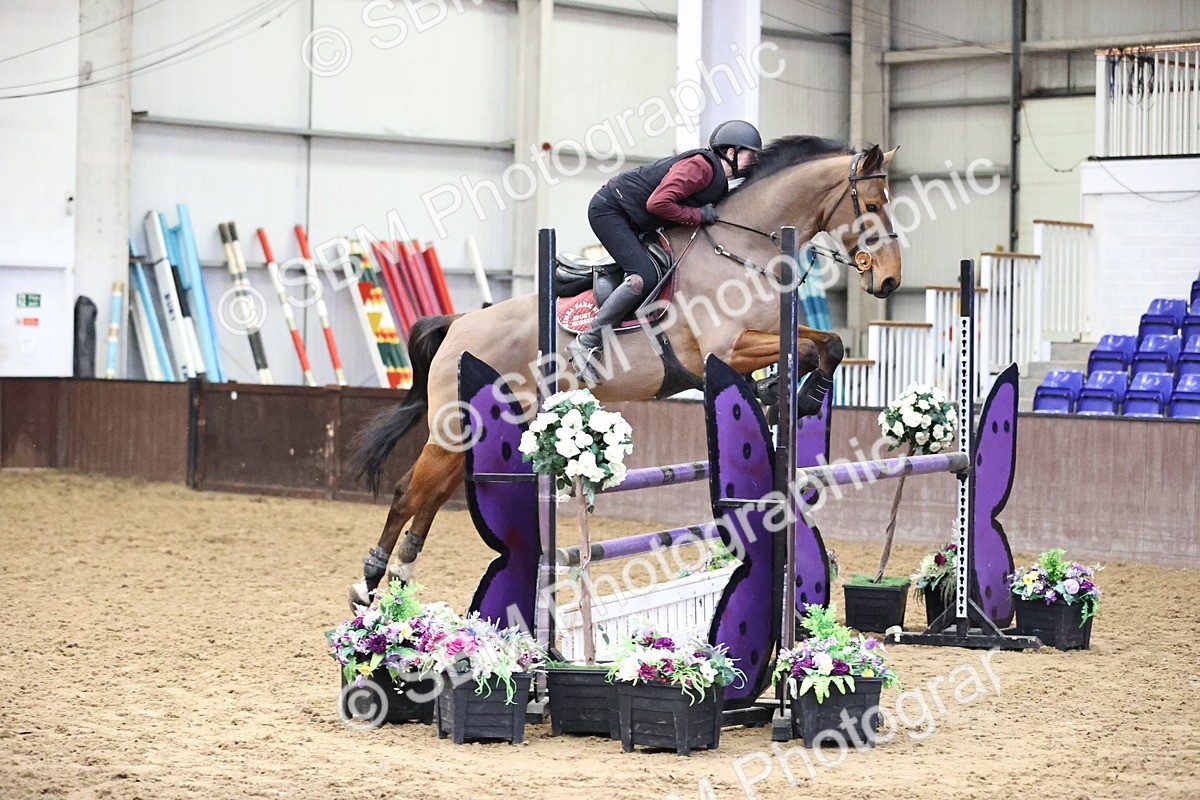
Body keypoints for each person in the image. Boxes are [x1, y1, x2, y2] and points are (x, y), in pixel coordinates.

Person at [567, 119, 762, 383]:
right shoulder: (701, 167)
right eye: (752, 154)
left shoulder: (718, 181)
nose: (754, 161)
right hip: (610, 211)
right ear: (731, 152)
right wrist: (698, 214)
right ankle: (587, 341)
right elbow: (658, 203)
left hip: (635, 218)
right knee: (642, 276)